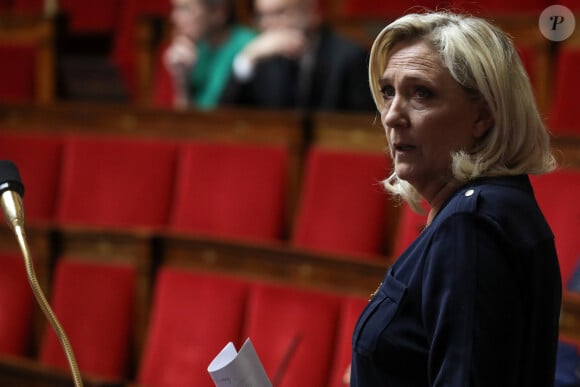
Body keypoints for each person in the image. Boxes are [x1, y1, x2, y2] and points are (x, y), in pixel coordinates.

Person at [350, 11, 562, 386]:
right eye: (388, 92)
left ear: (483, 114)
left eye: (421, 93)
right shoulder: (489, 207)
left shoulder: (473, 224)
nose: (392, 115)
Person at [219, 0, 375, 111]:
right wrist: (246, 59)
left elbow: (361, 128)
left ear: (310, 10)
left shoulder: (349, 57)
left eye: (280, 13)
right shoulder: (262, 58)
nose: (269, 25)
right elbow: (225, 121)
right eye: (262, 16)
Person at [157, 0, 255, 109]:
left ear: (219, 12)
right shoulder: (191, 49)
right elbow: (183, 120)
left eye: (185, 9)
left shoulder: (250, 47)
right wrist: (181, 81)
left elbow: (215, 113)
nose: (174, 17)